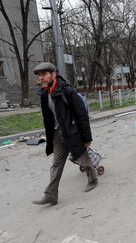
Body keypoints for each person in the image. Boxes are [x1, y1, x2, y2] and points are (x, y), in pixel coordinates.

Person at [32, 62, 98, 206]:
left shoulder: (67, 91)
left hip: (72, 133)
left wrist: (87, 138)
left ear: (53, 74)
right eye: (39, 75)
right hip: (57, 134)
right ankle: (51, 195)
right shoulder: (45, 93)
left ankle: (93, 179)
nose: (41, 78)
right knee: (56, 164)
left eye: (44, 74)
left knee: (84, 160)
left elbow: (82, 115)